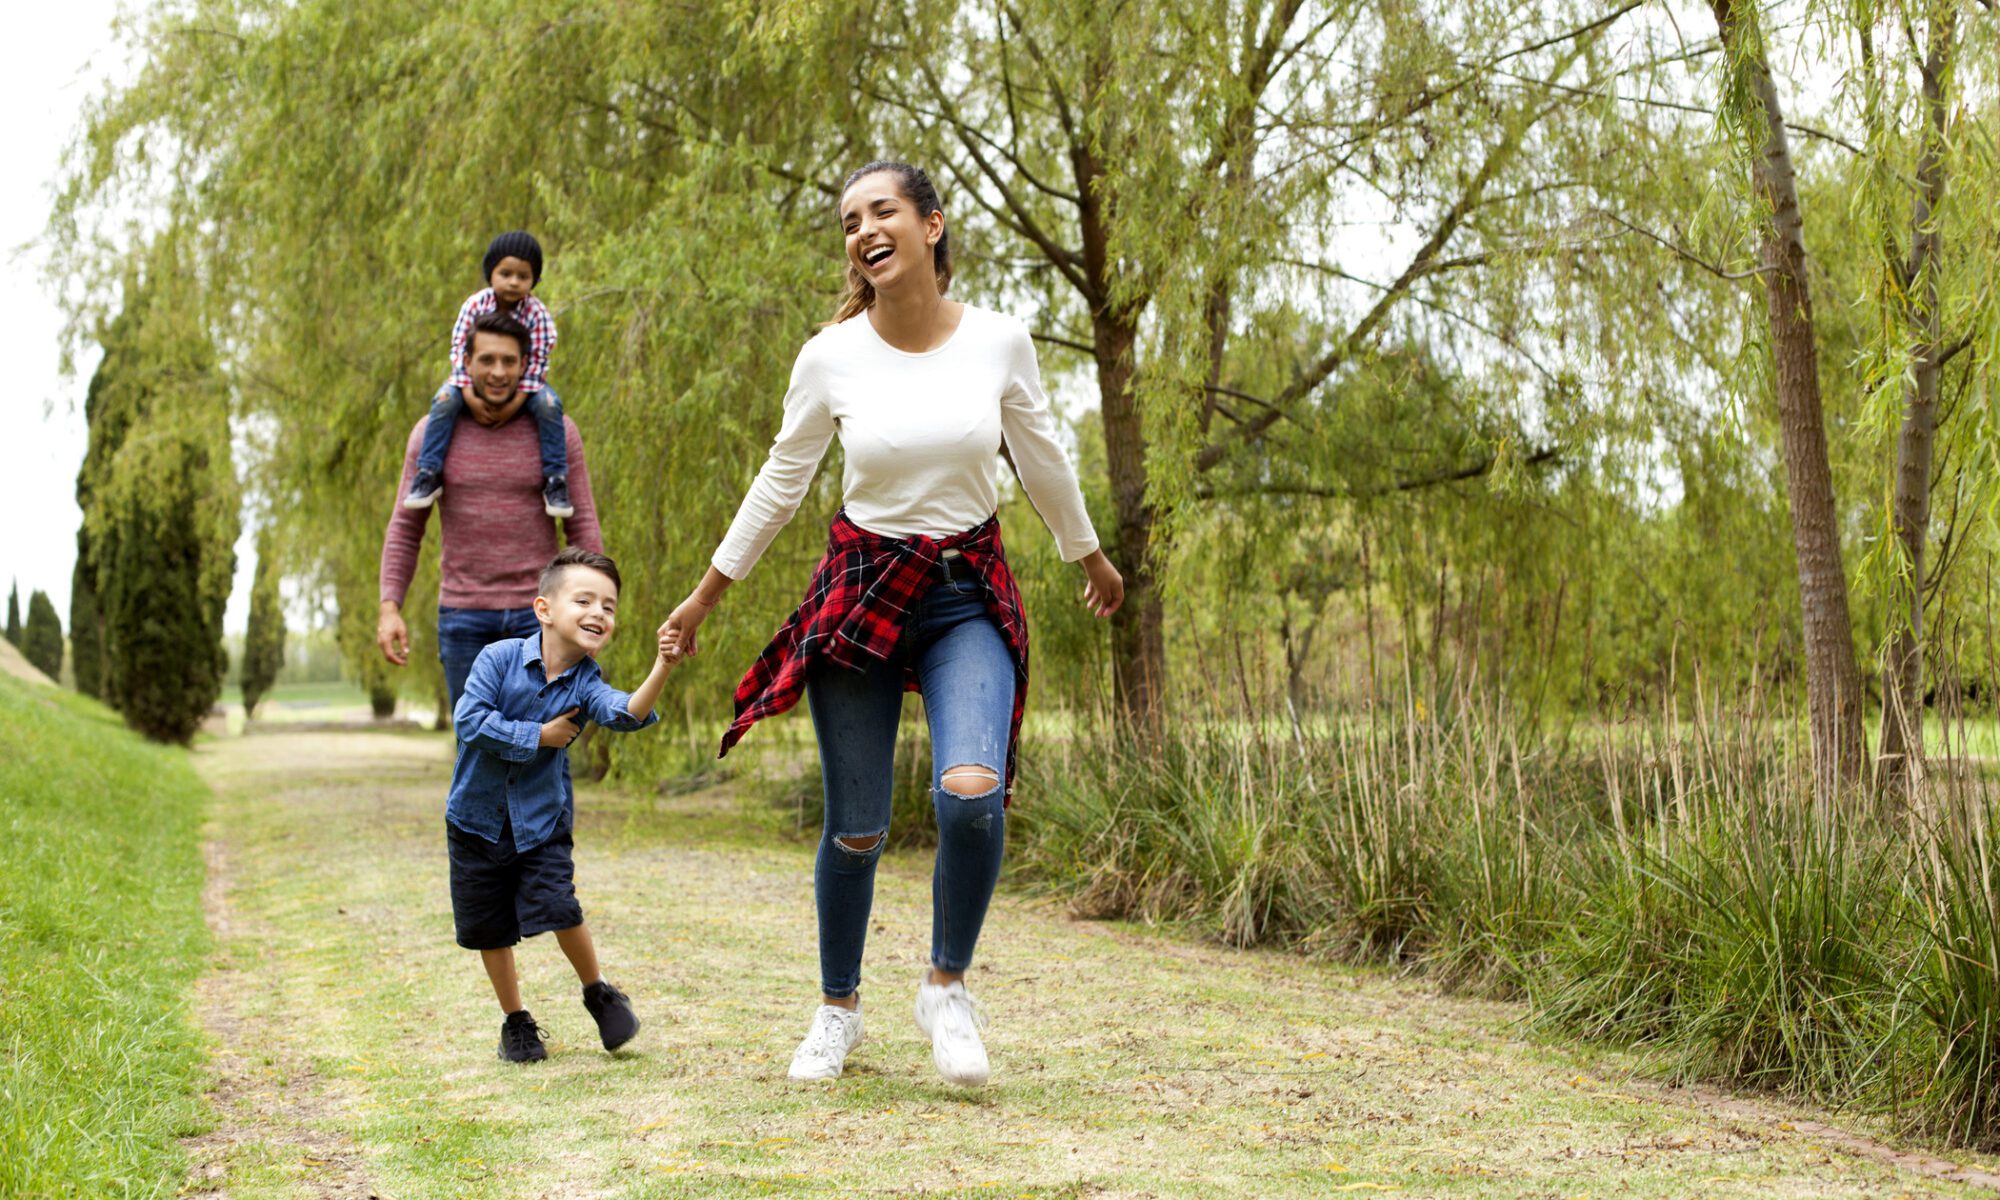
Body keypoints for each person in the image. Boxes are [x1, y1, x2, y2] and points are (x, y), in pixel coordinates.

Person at [659, 160, 1124, 1087]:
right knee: (858, 827)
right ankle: (837, 1010)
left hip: (962, 590)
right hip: (863, 586)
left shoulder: (998, 342)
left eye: (883, 212)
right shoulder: (830, 356)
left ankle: (946, 988)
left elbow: (1040, 457)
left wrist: (1089, 553)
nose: (863, 230)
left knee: (969, 791)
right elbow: (780, 482)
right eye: (848, 221)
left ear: (932, 225)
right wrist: (707, 593)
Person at [447, 546, 676, 1061]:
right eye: (585, 600)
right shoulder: (499, 658)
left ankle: (599, 991)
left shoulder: (587, 684)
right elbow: (469, 720)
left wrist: (663, 664)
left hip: (540, 823)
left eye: (610, 607)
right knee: (489, 925)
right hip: (475, 821)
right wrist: (538, 736)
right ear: (544, 609)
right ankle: (516, 1023)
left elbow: (626, 713)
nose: (599, 613)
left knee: (558, 907)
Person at [378, 310, 604, 716]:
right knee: (476, 753)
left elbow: (581, 523)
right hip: (463, 618)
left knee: (549, 752)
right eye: (487, 360)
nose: (498, 372)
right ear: (465, 363)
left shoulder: (557, 432)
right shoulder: (432, 434)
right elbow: (406, 528)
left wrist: (596, 607)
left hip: (541, 619)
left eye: (508, 361)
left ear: (525, 365)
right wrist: (389, 606)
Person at [403, 231, 574, 518]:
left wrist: (515, 404)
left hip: (527, 386)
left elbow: (538, 362)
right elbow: (459, 351)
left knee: (549, 406)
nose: (513, 282)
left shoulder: (538, 314)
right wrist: (468, 394)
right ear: (490, 273)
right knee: (444, 400)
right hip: (467, 381)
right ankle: (429, 471)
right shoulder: (474, 306)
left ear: (534, 280)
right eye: (505, 273)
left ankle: (555, 479)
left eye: (523, 276)